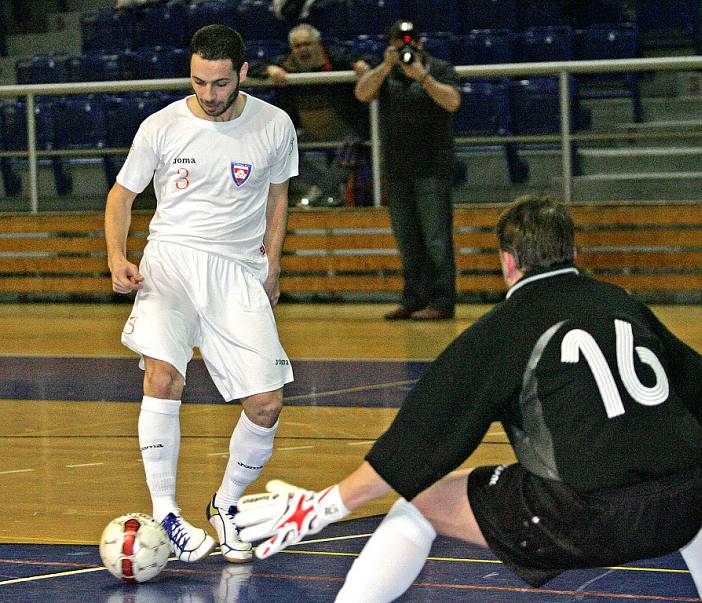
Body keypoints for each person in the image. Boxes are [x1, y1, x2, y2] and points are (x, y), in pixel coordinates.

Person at [234, 195, 702, 602]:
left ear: (507, 262)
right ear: (572, 250)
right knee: (673, 461)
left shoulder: (505, 330)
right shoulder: (620, 301)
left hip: (585, 520)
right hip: (684, 506)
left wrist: (323, 507)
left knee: (421, 502)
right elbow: (697, 378)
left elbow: (418, 448)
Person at [104, 24, 298, 564]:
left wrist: (273, 262)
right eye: (198, 83)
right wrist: (117, 256)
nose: (209, 96)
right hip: (170, 260)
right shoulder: (161, 126)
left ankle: (227, 505)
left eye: (219, 84)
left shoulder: (275, 124)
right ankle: (165, 509)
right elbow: (122, 194)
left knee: (266, 403)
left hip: (238, 272)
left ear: (242, 74)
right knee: (162, 374)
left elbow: (278, 196)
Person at [355, 20, 460, 321]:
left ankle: (442, 301)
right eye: (400, 42)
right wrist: (385, 67)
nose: (406, 47)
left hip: (433, 168)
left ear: (421, 43)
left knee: (436, 241)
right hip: (398, 170)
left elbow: (453, 102)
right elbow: (362, 94)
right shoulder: (385, 71)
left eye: (410, 41)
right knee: (408, 241)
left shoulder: (438, 68)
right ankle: (414, 299)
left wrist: (423, 77)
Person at [251, 23, 375, 206]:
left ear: (318, 44)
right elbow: (246, 67)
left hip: (346, 131)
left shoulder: (336, 58)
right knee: (278, 148)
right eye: (297, 46)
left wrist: (361, 64)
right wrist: (268, 70)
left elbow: (370, 59)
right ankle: (324, 195)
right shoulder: (286, 64)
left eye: (307, 44)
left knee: (355, 146)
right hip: (307, 133)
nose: (303, 50)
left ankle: (316, 194)